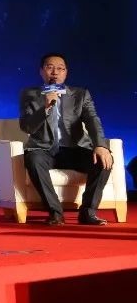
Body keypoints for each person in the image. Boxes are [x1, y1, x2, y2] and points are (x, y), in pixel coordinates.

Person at [18, 53, 114, 226]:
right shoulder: (29, 94)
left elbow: (92, 120)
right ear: (41, 71)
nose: (55, 72)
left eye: (60, 68)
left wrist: (100, 145)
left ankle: (88, 212)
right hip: (44, 149)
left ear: (66, 72)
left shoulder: (80, 94)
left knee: (103, 161)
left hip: (75, 149)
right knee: (33, 160)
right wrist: (45, 108)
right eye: (50, 67)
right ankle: (55, 213)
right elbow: (27, 127)